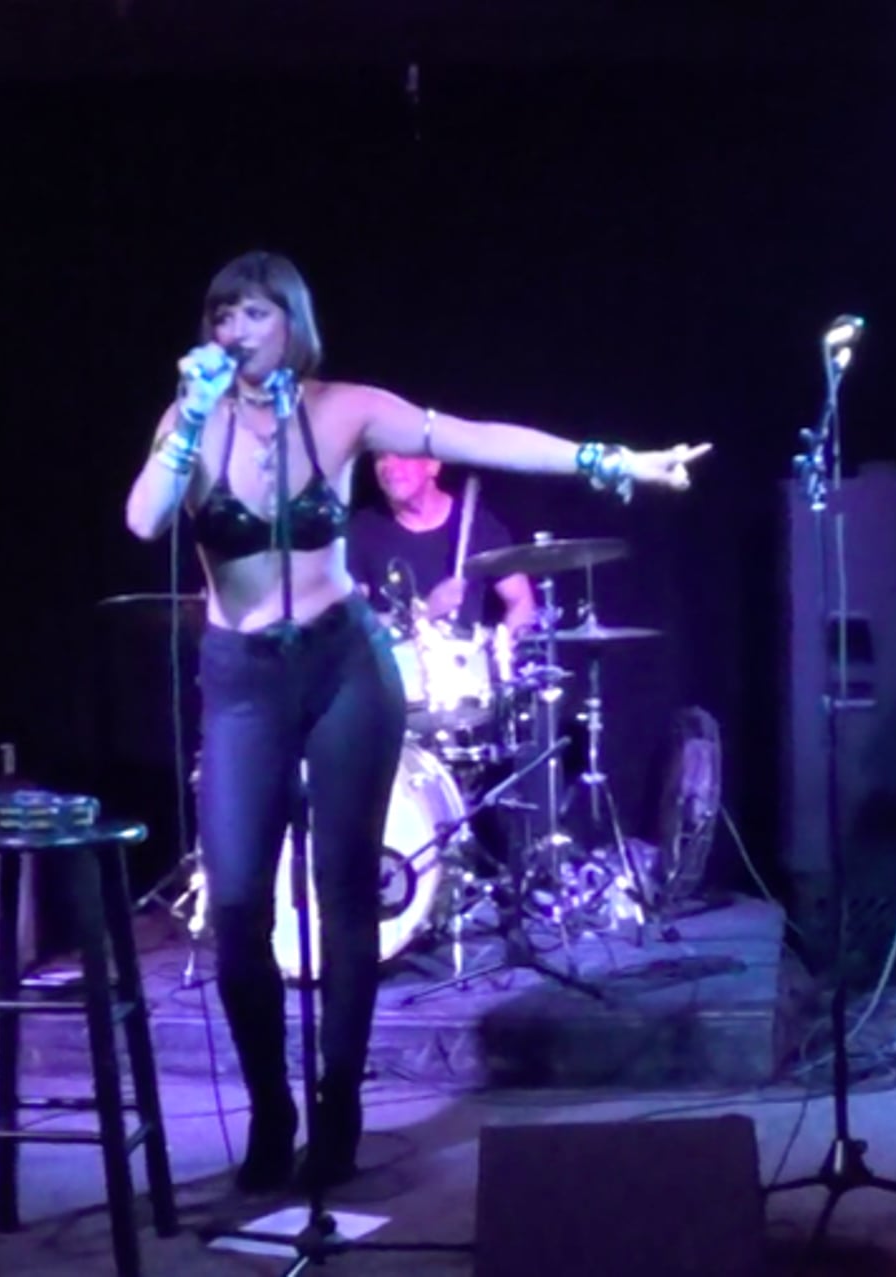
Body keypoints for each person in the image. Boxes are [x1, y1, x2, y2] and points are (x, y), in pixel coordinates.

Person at [123, 250, 709, 1191]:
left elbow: (477, 438)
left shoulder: (344, 409)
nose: (235, 330)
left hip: (345, 664)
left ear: (293, 324)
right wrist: (188, 418)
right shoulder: (190, 419)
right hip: (242, 679)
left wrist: (613, 461)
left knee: (346, 886)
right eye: (222, 314)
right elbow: (144, 520)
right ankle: (271, 1109)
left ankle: (338, 1105)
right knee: (235, 907)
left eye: (255, 313)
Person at [348, 454, 537, 636]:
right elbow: (352, 625)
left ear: (433, 465)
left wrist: (502, 649)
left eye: (402, 454)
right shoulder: (363, 530)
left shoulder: (476, 523)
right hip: (394, 657)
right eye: (380, 456)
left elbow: (521, 602)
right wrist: (426, 612)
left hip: (463, 656)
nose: (388, 465)